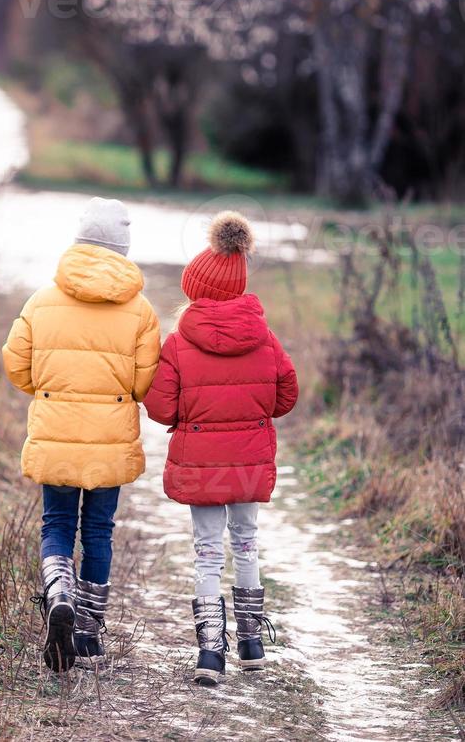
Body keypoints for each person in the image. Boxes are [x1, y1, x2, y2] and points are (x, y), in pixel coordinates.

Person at [2, 197, 160, 672]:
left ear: (79, 240)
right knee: (98, 530)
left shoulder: (42, 299)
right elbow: (143, 384)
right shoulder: (141, 310)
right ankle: (88, 633)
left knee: (57, 524)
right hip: (110, 438)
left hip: (56, 431)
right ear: (123, 248)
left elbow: (16, 364)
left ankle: (57, 594)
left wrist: (50, 391)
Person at [144, 211, 298, 686]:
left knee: (207, 552)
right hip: (249, 464)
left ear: (197, 288)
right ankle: (252, 645)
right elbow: (286, 394)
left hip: (202, 466)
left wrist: (191, 416)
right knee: (247, 546)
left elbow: (160, 407)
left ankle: (210, 654)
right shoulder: (264, 338)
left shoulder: (178, 343)